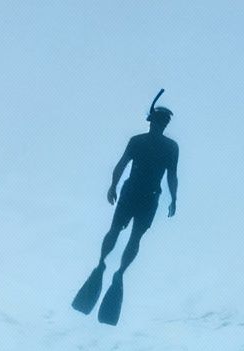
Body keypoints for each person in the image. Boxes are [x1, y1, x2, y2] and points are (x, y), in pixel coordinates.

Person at [73, 94, 179, 325]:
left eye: (163, 122)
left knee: (129, 236)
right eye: (161, 121)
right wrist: (112, 185)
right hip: (139, 196)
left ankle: (112, 269)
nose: (161, 125)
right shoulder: (156, 144)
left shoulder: (157, 145)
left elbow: (171, 175)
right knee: (124, 235)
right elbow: (123, 165)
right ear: (154, 121)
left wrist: (174, 198)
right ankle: (106, 267)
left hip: (141, 196)